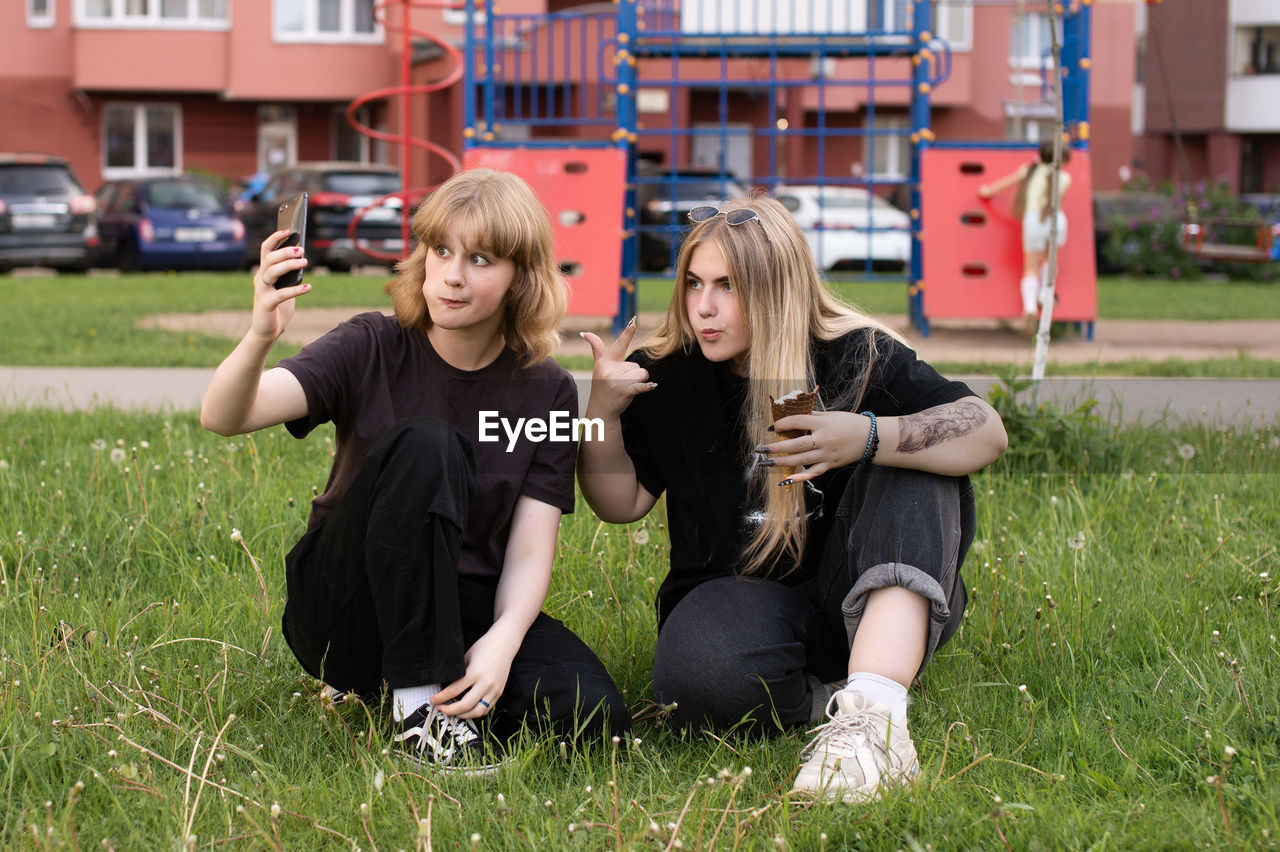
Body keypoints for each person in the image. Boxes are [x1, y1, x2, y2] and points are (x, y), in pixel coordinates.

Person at [577, 196, 1008, 803]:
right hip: (736, 602)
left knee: (916, 454)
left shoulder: (856, 355)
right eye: (694, 283)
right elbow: (619, 502)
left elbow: (984, 428)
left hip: (871, 589)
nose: (704, 307)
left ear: (777, 287)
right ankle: (835, 696)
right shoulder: (669, 372)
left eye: (728, 286)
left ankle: (873, 721)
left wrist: (869, 436)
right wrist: (600, 417)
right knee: (694, 682)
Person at [201, 168, 628, 772]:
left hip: (461, 604)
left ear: (521, 280)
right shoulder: (372, 344)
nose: (452, 275)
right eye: (441, 250)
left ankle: (440, 690)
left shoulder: (549, 392)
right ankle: (419, 709)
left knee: (591, 717)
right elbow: (224, 415)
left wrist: (501, 648)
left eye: (481, 259)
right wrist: (259, 334)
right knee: (430, 445)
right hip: (347, 602)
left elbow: (531, 551)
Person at [978, 139, 1072, 336]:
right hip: (1056, 221)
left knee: (1031, 267)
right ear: (1062, 161)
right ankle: (1045, 294)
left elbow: (1003, 184)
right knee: (1049, 260)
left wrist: (987, 191)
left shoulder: (1028, 171)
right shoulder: (1064, 178)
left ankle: (1029, 307)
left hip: (1034, 220)